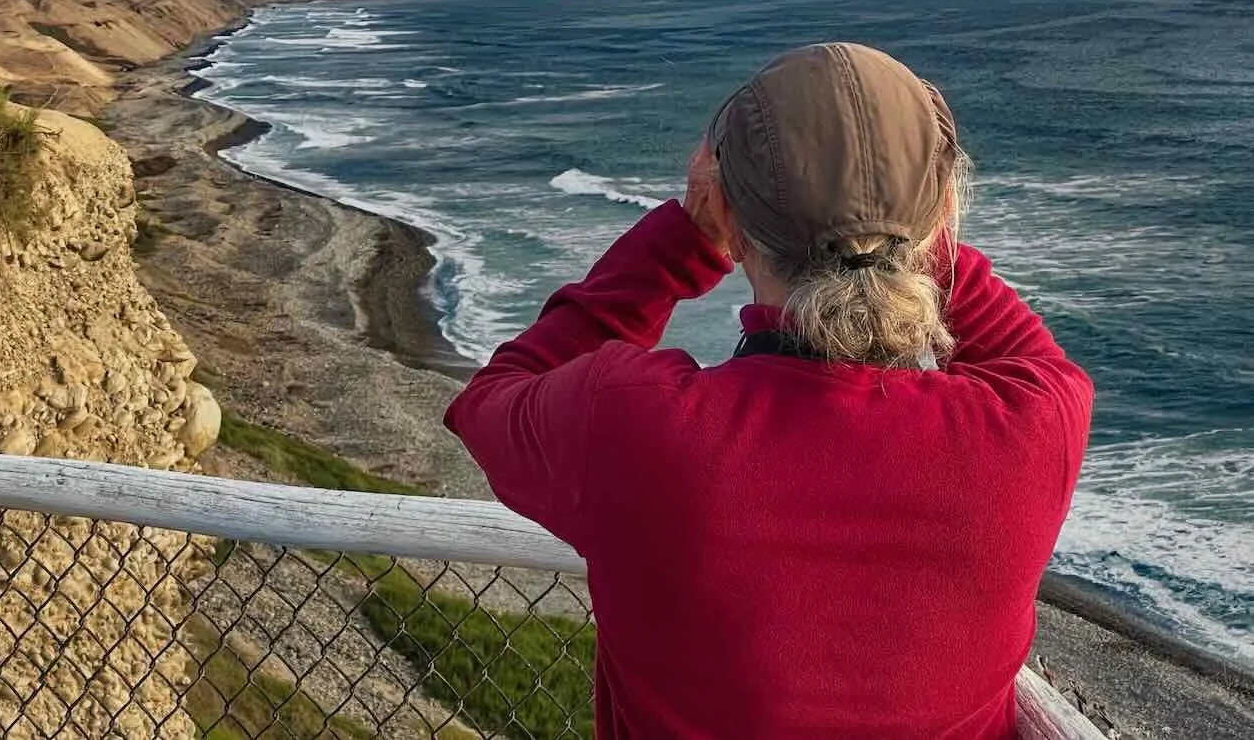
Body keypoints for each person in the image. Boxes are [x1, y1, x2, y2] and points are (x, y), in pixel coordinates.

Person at [444, 42, 1093, 739]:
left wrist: (682, 243)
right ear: (940, 210)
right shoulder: (1026, 435)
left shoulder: (634, 426)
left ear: (725, 209)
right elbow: (1037, 362)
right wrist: (906, 225)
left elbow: (494, 396)